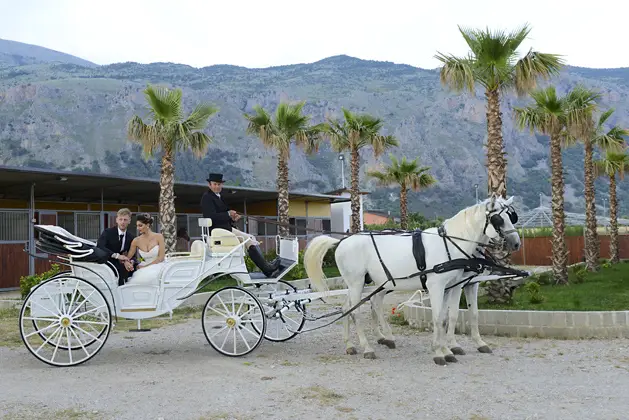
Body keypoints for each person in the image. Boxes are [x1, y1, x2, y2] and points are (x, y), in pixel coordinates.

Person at [201, 172, 280, 277]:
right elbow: (211, 216)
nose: (217, 186)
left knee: (251, 238)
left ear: (222, 185)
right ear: (209, 185)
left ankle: (266, 266)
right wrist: (228, 214)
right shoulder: (207, 198)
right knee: (249, 239)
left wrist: (233, 218)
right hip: (220, 230)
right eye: (215, 184)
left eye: (219, 184)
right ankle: (267, 268)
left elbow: (223, 215)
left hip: (225, 228)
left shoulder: (219, 197)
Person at [96, 208, 136, 286]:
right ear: (116, 220)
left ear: (129, 221)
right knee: (120, 270)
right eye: (120, 219)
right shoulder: (108, 232)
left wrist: (129, 262)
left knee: (133, 269)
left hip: (119, 262)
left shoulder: (130, 236)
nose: (122, 222)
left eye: (125, 220)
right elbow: (100, 246)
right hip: (105, 260)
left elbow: (132, 254)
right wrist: (117, 256)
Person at [124, 213, 166, 284]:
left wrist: (145, 267)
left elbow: (161, 258)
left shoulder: (159, 237)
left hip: (159, 266)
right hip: (143, 267)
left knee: (152, 277)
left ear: (148, 225)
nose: (138, 228)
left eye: (140, 225)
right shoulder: (136, 240)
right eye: (137, 226)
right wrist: (127, 262)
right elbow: (128, 257)